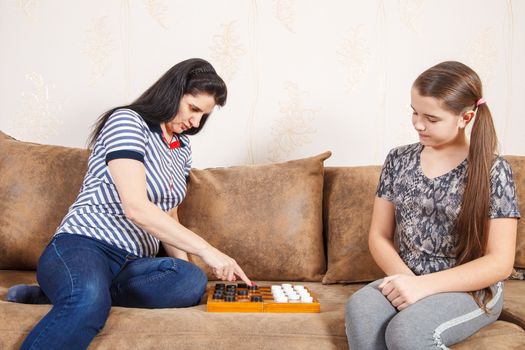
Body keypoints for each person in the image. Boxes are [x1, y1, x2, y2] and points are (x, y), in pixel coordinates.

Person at [7, 58, 252, 350]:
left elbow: (169, 213)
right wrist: (208, 251)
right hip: (85, 245)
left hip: (133, 264)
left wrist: (190, 269)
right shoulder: (127, 121)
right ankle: (78, 291)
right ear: (174, 92)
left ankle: (56, 293)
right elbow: (135, 207)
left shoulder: (181, 147)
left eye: (204, 116)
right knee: (88, 300)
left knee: (189, 282)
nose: (196, 122)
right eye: (194, 109)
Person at [345, 61, 520, 349]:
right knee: (361, 310)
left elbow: (500, 262)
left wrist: (423, 287)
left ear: (466, 117)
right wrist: (406, 280)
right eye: (414, 112)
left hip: (469, 288)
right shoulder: (398, 160)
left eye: (431, 118)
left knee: (407, 331)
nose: (418, 123)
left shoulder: (493, 170)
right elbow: (379, 236)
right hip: (406, 276)